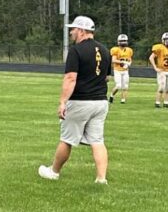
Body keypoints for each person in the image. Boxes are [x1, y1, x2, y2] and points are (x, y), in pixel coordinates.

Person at [38, 16, 111, 184]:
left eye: (73, 29)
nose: (71, 32)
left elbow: (71, 78)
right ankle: (101, 178)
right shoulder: (105, 50)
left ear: (82, 31)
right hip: (100, 102)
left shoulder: (76, 51)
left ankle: (54, 171)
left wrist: (63, 102)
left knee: (67, 139)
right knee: (97, 141)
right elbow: (106, 77)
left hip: (80, 101)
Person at [109, 34, 133, 104]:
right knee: (118, 86)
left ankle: (123, 100)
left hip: (125, 71)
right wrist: (123, 61)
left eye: (124, 41)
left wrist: (129, 63)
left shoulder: (129, 50)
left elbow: (130, 59)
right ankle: (111, 95)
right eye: (122, 41)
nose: (123, 42)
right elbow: (113, 60)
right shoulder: (115, 50)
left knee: (125, 86)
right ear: (118, 42)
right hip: (117, 70)